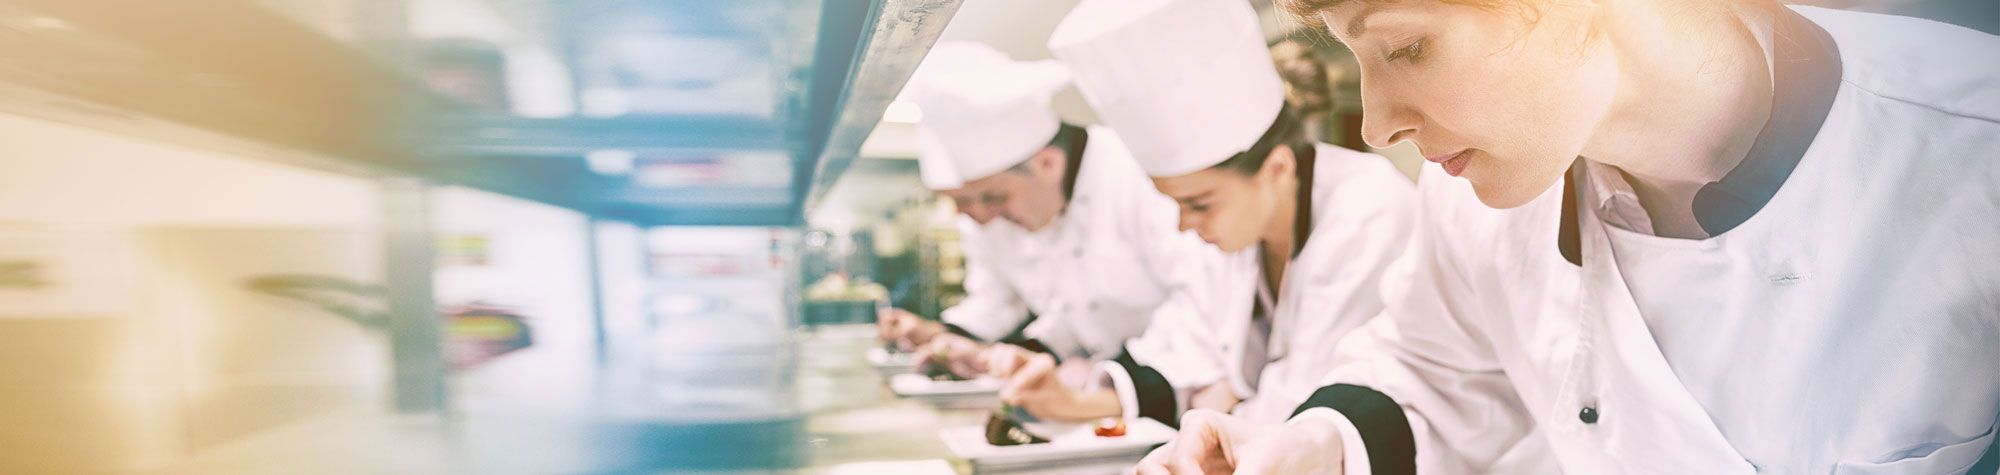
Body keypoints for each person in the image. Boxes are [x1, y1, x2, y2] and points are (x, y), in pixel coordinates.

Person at [1138, 0, 2000, 473]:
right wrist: (1310, 444)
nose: (1373, 125)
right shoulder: (1475, 195)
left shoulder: (1972, 148)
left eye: (1404, 48)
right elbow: (1432, 371)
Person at [988, 0, 1416, 428]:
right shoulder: (1238, 232)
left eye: (1198, 204)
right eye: (1175, 204)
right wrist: (1074, 402)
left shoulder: (1366, 210)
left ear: (1277, 168)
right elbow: (1190, 343)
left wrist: (1223, 406)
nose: (1183, 225)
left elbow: (1313, 391)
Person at [879, 42, 1226, 378]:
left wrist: (1119, 381)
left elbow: (1200, 300)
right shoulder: (1020, 208)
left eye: (994, 198)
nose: (982, 218)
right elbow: (1059, 309)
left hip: (1181, 377)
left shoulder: (1134, 174)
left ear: (1047, 164)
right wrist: (964, 343)